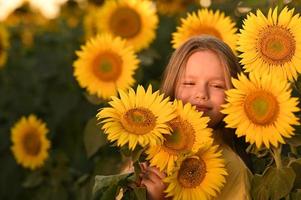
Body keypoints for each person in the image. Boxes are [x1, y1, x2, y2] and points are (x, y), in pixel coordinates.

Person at [139, 35, 252, 200]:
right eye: (189, 83)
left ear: (234, 93)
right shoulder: (145, 147)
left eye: (217, 86)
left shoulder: (232, 169)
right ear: (172, 86)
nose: (201, 94)